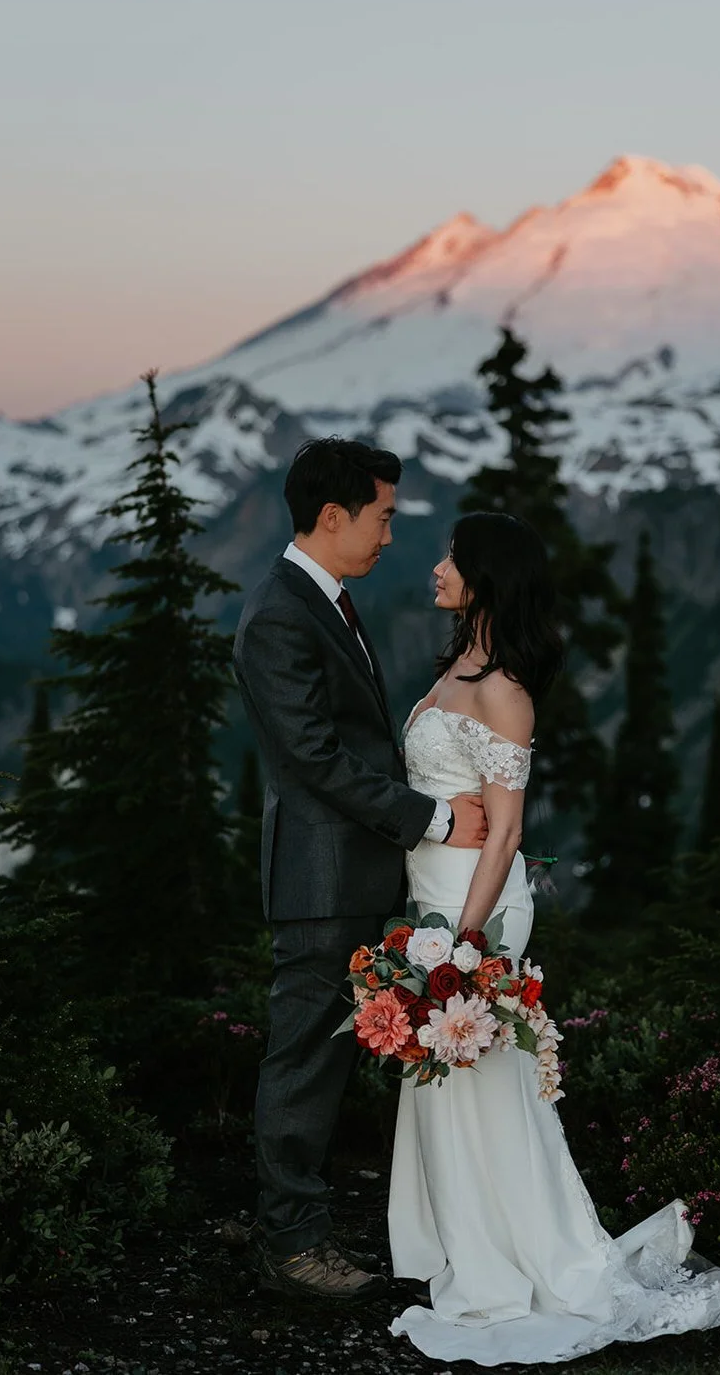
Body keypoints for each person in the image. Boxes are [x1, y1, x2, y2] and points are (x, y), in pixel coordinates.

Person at [388, 510, 720, 1365]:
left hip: (476, 905)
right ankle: (463, 1243)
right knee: (447, 1079)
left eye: (452, 556)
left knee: (479, 1075)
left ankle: (513, 1260)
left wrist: (465, 945)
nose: (437, 566)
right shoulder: (456, 666)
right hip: (432, 897)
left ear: (484, 575)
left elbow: (509, 831)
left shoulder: (502, 688)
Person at [232, 437, 487, 1303]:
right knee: (304, 1061)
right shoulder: (279, 612)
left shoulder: (323, 600)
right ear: (331, 516)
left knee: (326, 1062)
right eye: (380, 517)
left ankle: (306, 1231)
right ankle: (291, 1249)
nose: (389, 537)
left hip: (349, 874)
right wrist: (437, 819)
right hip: (319, 881)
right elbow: (312, 755)